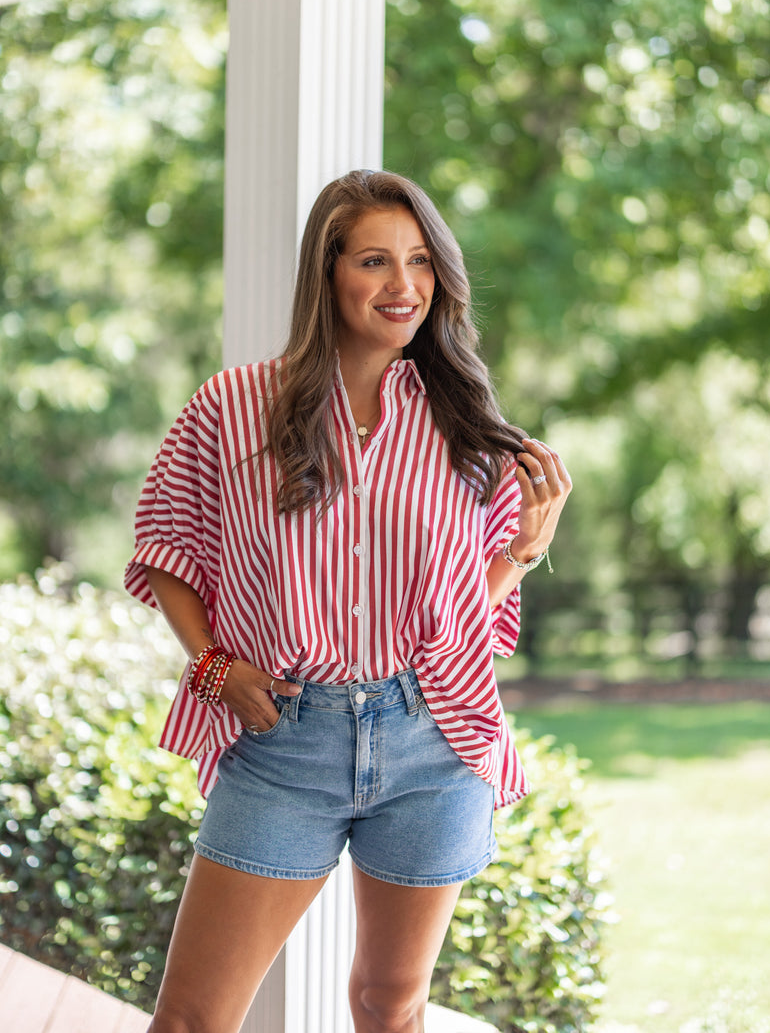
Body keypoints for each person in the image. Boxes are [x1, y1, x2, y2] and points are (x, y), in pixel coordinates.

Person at [124, 168, 571, 1033]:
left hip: (430, 740)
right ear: (327, 273)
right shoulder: (233, 406)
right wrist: (215, 667)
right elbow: (167, 544)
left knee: (389, 1005)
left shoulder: (466, 426)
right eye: (374, 260)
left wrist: (524, 547)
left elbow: (460, 619)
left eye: (420, 261)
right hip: (284, 740)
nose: (403, 286)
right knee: (192, 1017)